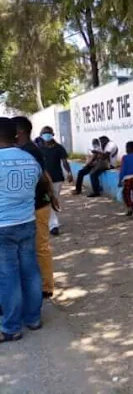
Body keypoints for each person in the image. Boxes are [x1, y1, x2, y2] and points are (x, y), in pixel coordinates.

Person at [0, 117, 43, 342]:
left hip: (3, 226)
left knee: (8, 276)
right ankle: (33, 319)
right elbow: (37, 183)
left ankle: (11, 327)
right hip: (27, 222)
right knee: (31, 271)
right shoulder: (29, 159)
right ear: (15, 135)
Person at [13, 117, 57, 298]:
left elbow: (43, 175)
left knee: (41, 247)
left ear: (19, 132)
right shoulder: (25, 150)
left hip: (38, 205)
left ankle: (46, 286)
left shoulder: (30, 151)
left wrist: (52, 195)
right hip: (32, 205)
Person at [39, 126, 73, 236]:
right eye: (45, 133)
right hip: (43, 180)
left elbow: (64, 161)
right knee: (47, 200)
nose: (47, 135)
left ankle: (53, 225)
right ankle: (53, 224)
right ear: (41, 136)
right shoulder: (39, 149)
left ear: (52, 135)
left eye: (48, 133)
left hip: (57, 179)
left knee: (53, 200)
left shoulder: (59, 148)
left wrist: (69, 173)